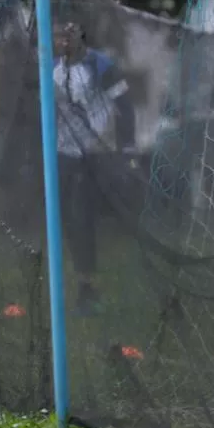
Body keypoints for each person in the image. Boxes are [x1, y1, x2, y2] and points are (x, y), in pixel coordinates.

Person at [52, 21, 136, 315]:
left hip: (94, 151)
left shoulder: (101, 66)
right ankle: (69, 281)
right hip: (62, 151)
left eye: (67, 33)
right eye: (57, 35)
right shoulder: (51, 67)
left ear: (79, 35)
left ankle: (89, 288)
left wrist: (127, 148)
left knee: (82, 215)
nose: (62, 39)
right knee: (62, 217)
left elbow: (125, 105)